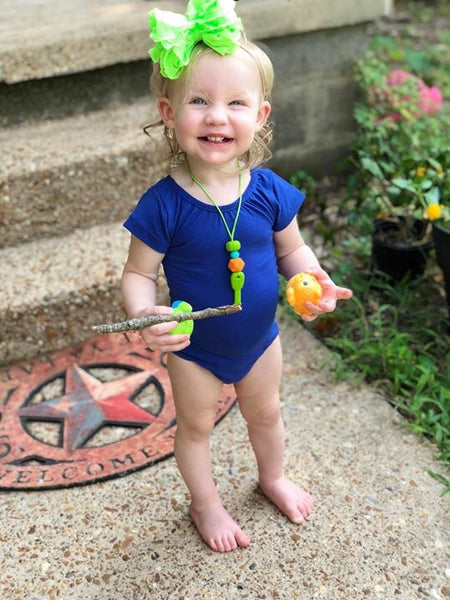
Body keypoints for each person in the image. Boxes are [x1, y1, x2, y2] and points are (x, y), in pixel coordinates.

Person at [121, 0, 353, 553]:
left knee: (266, 411)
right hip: (196, 347)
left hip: (259, 338)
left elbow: (294, 251)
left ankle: (271, 476)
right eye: (198, 101)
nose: (217, 116)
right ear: (169, 112)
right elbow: (137, 274)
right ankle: (206, 505)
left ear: (261, 115)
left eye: (235, 103)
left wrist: (315, 280)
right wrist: (144, 312)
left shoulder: (269, 191)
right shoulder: (163, 206)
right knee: (196, 428)